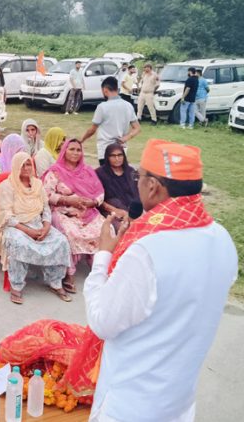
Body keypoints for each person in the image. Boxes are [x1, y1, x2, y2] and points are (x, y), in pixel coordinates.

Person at [78, 139, 237, 422]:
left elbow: (102, 321)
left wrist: (103, 255)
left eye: (138, 177)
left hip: (131, 406)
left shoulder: (147, 251)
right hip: (178, 403)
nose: (135, 183)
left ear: (152, 187)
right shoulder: (223, 240)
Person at [0, 152, 72, 304]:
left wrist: (46, 227)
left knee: (61, 241)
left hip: (38, 224)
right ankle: (16, 285)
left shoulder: (37, 184)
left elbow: (46, 208)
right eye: (22, 165)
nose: (26, 168)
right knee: (18, 244)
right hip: (16, 226)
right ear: (15, 167)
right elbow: (7, 215)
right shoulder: (6, 186)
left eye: (28, 164)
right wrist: (28, 231)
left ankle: (55, 281)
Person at [43, 139, 104, 293]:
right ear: (64, 151)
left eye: (78, 150)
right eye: (72, 149)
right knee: (70, 233)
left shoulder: (87, 171)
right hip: (63, 211)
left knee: (105, 229)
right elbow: (46, 194)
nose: (76, 153)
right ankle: (69, 273)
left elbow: (100, 193)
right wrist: (68, 200)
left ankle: (99, 268)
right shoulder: (55, 172)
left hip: (87, 211)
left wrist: (91, 203)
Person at [80, 77, 140, 165]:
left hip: (105, 151)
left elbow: (92, 130)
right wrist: (126, 138)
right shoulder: (128, 105)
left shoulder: (102, 107)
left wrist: (81, 140)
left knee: (106, 177)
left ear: (105, 90)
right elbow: (137, 128)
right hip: (121, 151)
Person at [95, 143, 139, 219]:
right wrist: (115, 210)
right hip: (110, 210)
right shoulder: (99, 173)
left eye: (120, 155)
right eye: (113, 156)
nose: (117, 159)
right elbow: (97, 198)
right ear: (107, 157)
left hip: (132, 209)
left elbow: (138, 193)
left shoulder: (131, 171)